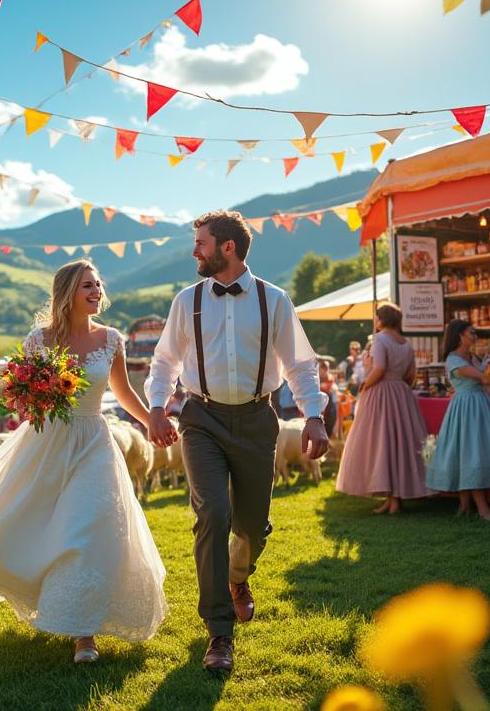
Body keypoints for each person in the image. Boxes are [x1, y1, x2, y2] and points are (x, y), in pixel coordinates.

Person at [0, 260, 167, 665]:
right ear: (67, 292)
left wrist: (151, 417)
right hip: (47, 440)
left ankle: (84, 634)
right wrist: (33, 399)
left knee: (88, 525)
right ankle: (51, 599)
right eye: (87, 286)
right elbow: (22, 401)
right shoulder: (39, 339)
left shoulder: (112, 339)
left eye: (98, 285)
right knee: (40, 525)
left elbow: (122, 390)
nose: (97, 291)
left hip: (94, 441)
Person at [144, 210, 328, 672]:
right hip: (200, 418)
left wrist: (314, 416)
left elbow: (300, 365)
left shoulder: (275, 300)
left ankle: (238, 577)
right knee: (212, 513)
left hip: (255, 420)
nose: (194, 252)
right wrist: (156, 406)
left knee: (251, 525)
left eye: (201, 243)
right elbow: (164, 360)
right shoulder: (187, 301)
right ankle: (219, 633)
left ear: (228, 247)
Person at [335, 302, 430, 515]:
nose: (375, 321)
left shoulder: (380, 340)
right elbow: (410, 375)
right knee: (400, 444)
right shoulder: (406, 343)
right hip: (401, 394)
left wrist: (365, 384)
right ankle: (395, 497)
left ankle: (391, 498)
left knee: (381, 443)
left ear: (382, 319)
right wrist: (398, 383)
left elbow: (379, 368)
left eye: (377, 317)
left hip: (380, 394)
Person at [425, 319, 490, 521]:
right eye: (471, 333)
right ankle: (483, 509)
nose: (474, 336)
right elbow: (484, 379)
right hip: (466, 408)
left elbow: (487, 382)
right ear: (460, 336)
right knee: (470, 453)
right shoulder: (454, 360)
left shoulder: (472, 356)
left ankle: (465, 505)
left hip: (478, 405)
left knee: (469, 453)